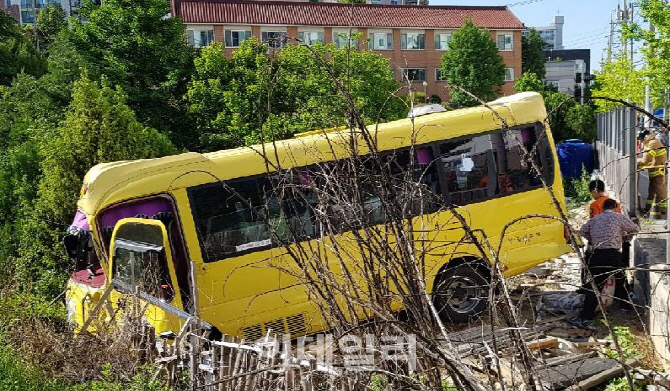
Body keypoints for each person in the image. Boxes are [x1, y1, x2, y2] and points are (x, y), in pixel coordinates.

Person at [572, 199, 639, 326]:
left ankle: (587, 314)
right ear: (615, 207)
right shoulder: (619, 217)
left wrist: (592, 238)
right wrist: (625, 238)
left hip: (597, 255)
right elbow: (634, 229)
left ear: (602, 208)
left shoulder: (594, 219)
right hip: (613, 255)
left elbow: (582, 231)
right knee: (621, 281)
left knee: (594, 285)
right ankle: (625, 306)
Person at [637, 128, 667, 219]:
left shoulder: (652, 143)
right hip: (654, 170)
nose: (641, 141)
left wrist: (639, 164)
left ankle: (664, 210)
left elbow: (647, 158)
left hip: (658, 171)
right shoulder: (650, 142)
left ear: (645, 137)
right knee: (651, 190)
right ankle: (648, 208)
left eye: (641, 139)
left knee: (660, 190)